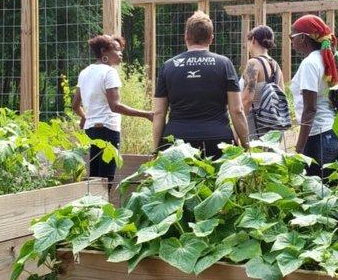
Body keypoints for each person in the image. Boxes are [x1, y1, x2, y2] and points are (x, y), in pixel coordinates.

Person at [152, 11, 249, 158]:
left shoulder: (168, 66)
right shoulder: (224, 64)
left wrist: (156, 149)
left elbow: (159, 113)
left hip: (177, 142)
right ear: (211, 38)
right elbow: (237, 110)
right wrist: (247, 146)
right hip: (217, 140)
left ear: (186, 37)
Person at [72, 34, 153, 183]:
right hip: (108, 129)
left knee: (94, 178)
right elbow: (115, 106)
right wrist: (147, 114)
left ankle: (91, 206)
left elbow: (75, 105)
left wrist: (85, 117)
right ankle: (103, 205)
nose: (121, 53)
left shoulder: (84, 73)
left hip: (91, 131)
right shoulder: (110, 72)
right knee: (106, 180)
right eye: (116, 49)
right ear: (104, 51)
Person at [290, 14, 338, 177]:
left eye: (291, 36)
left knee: (316, 192)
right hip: (331, 132)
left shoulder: (309, 64)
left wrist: (299, 148)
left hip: (318, 137)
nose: (290, 41)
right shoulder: (325, 59)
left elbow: (310, 109)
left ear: (303, 38)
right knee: (329, 190)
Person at [241, 25, 285, 138]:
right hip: (274, 128)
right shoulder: (276, 65)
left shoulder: (253, 63)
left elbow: (247, 99)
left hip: (256, 127)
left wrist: (238, 130)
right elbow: (282, 96)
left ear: (253, 40)